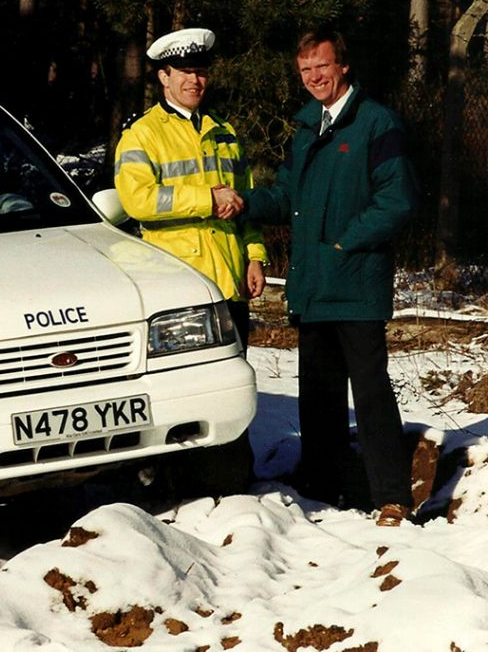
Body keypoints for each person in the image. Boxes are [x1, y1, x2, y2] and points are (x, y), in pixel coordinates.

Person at [239, 28, 418, 527]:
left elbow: (397, 199)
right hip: (313, 284)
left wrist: (345, 242)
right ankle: (323, 484)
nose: (314, 77)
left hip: (355, 282)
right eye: (305, 70)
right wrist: (244, 202)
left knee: (371, 391)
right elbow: (285, 198)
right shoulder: (306, 129)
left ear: (342, 66)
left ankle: (391, 496)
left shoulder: (375, 123)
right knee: (318, 392)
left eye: (321, 66)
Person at [114, 27, 267, 352]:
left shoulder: (224, 132)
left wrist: (255, 257)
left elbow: (247, 201)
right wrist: (207, 199)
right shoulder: (142, 134)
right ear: (164, 77)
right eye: (185, 72)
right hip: (179, 283)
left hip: (230, 281)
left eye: (200, 72)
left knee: (233, 379)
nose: (194, 81)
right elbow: (137, 200)